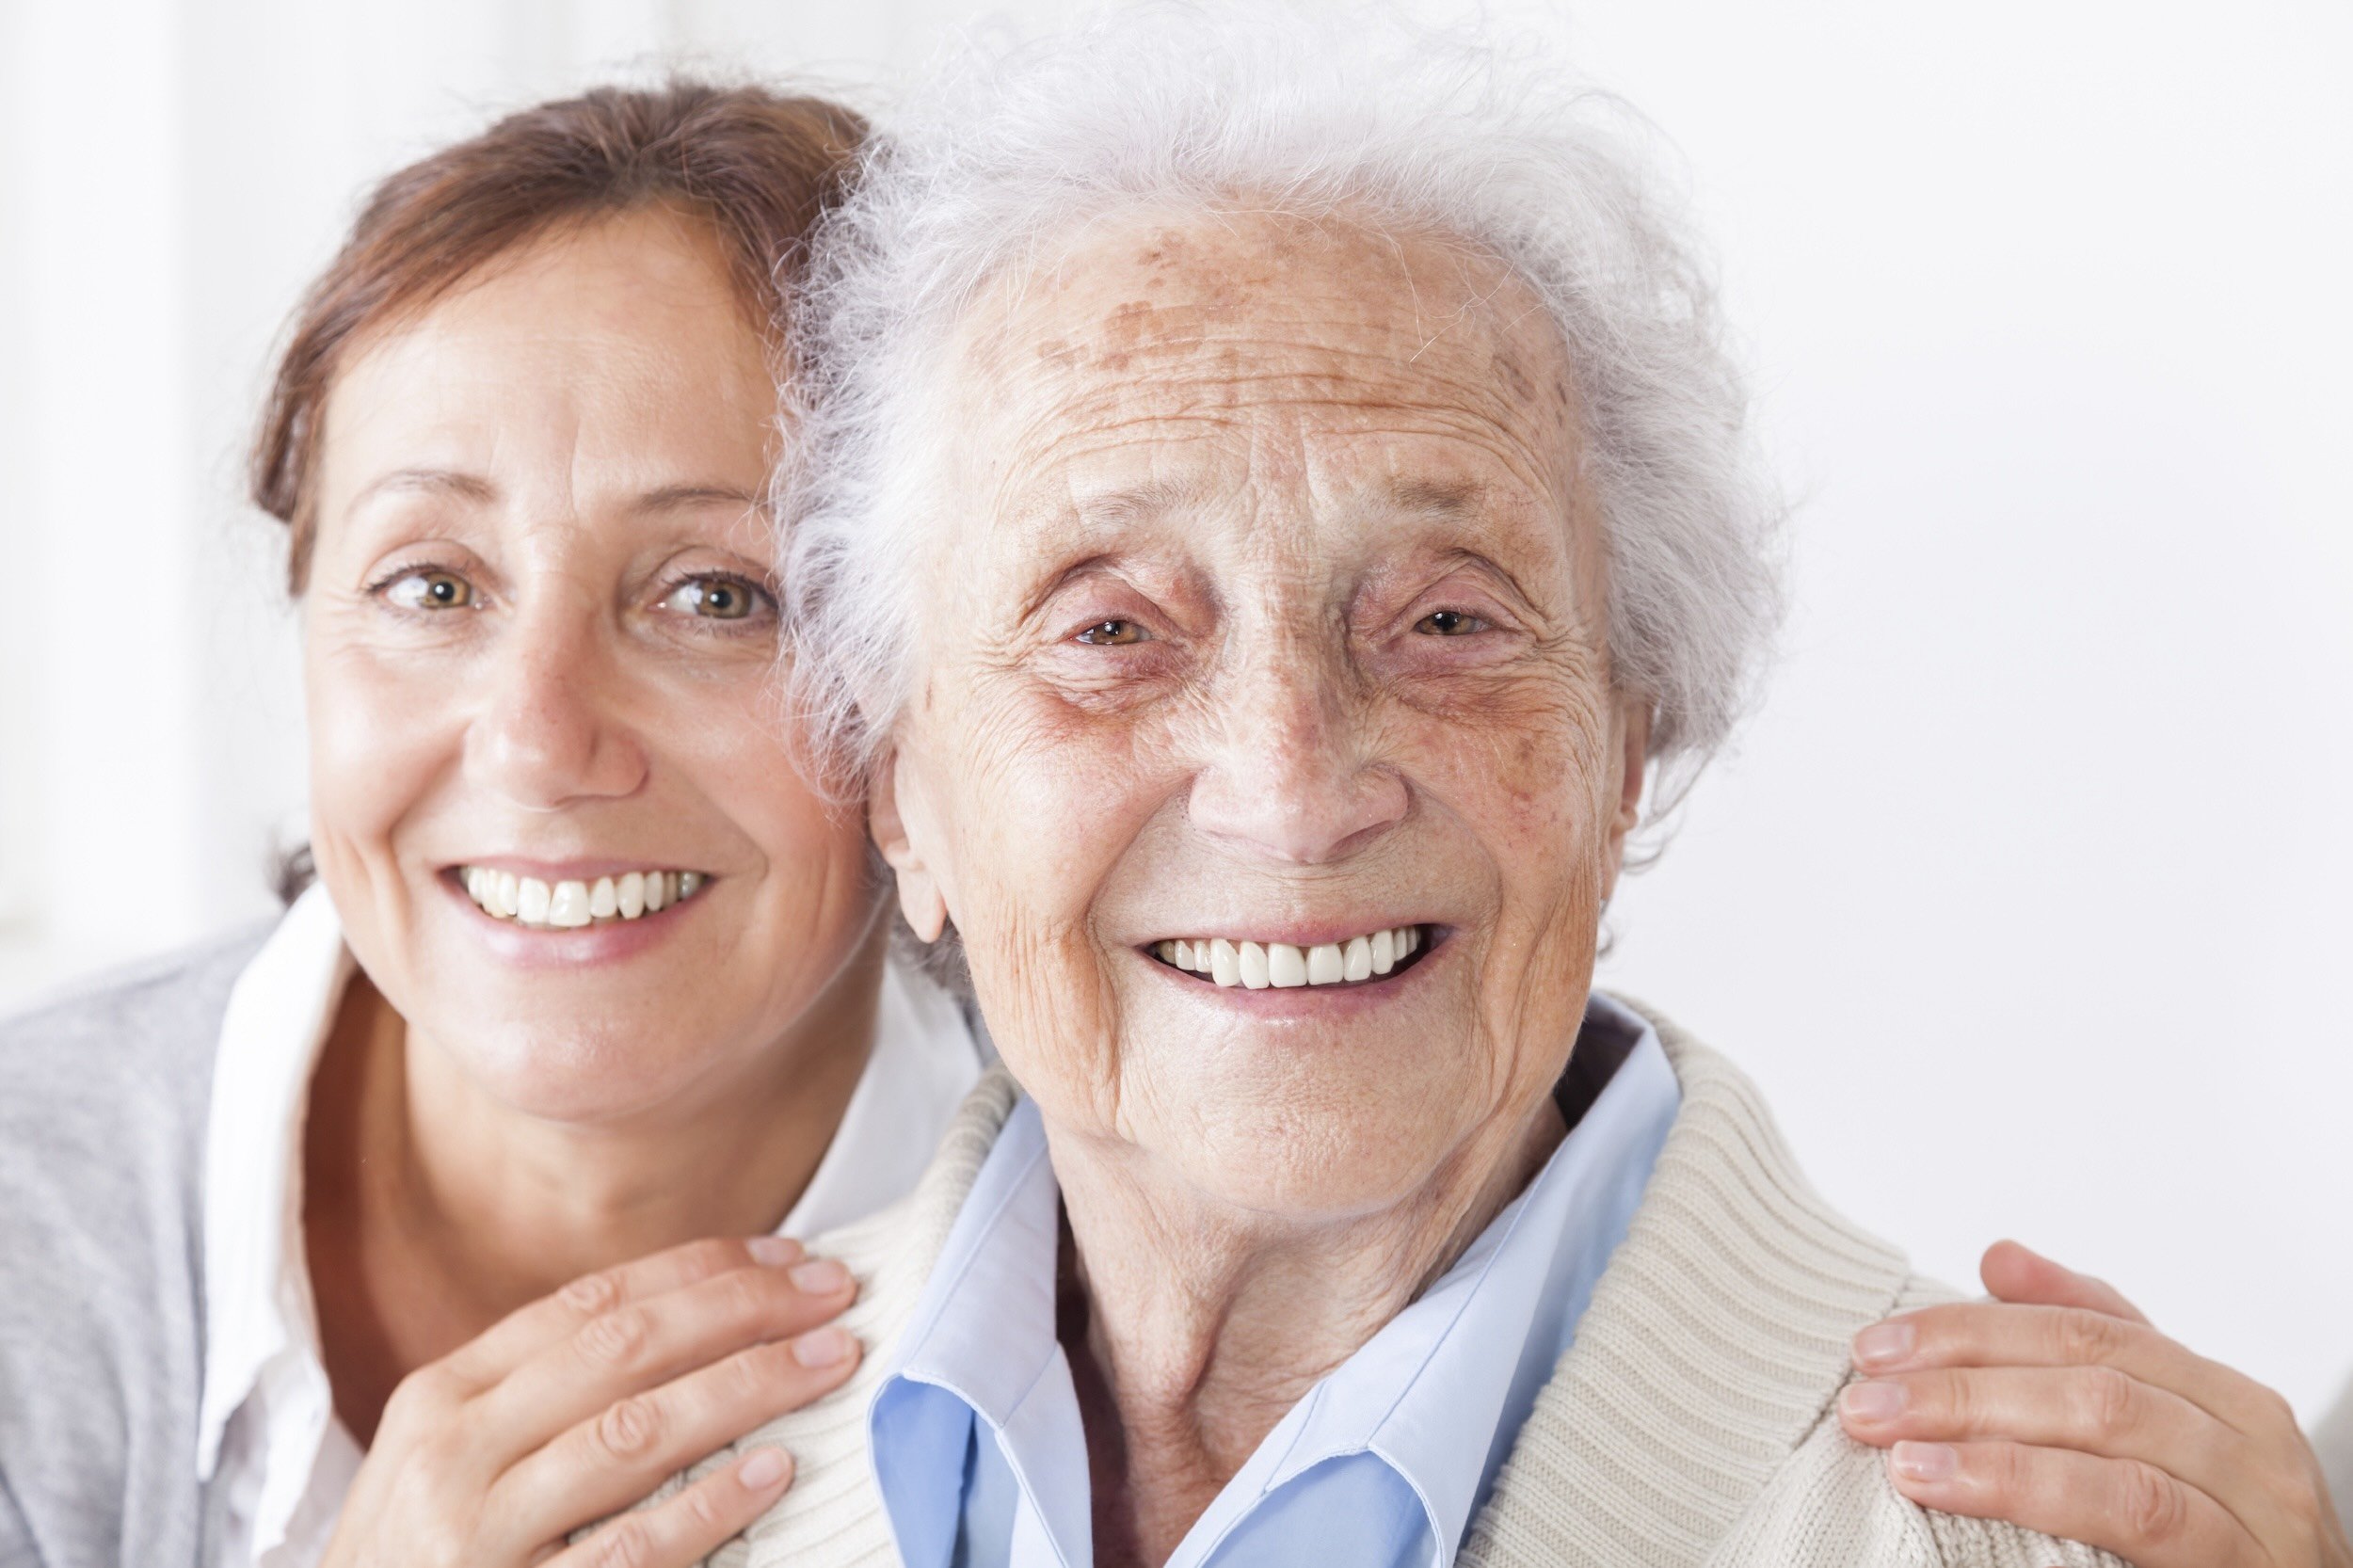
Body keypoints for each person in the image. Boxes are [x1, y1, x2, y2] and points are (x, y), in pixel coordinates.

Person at [631, 8, 2350, 1566]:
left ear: (1626, 740)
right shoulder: (637, 1489)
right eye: (1112, 627)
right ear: (903, 790)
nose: (1288, 786)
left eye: (1449, 617)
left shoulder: (2035, 1545)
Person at [0, 82, 988, 1568]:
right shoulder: (31, 1237)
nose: (535, 741)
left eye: (718, 596)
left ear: (918, 673)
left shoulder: (1134, 1271)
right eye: (434, 585)